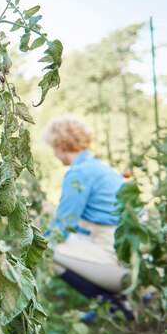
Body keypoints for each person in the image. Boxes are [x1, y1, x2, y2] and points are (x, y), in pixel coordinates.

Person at [42, 116, 131, 320]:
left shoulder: (78, 173)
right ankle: (126, 298)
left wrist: (34, 243)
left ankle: (115, 304)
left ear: (59, 145)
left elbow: (63, 226)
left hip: (111, 253)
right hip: (123, 249)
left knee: (48, 250)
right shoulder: (98, 166)